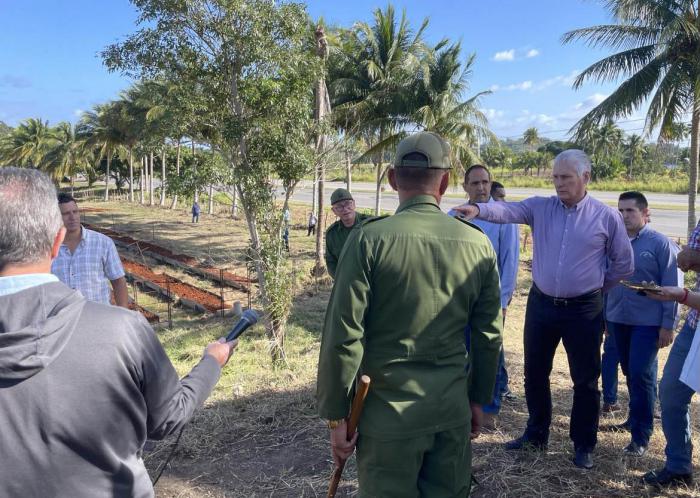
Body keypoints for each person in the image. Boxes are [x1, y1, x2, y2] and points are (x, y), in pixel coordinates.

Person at [0, 167, 238, 497]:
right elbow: (168, 417)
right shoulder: (122, 332)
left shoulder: (104, 253)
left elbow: (117, 280)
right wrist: (212, 361)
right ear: (55, 242)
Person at [317, 132, 502, 496]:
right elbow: (488, 336)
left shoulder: (369, 240)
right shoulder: (477, 243)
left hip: (387, 419)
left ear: (392, 178)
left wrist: (336, 416)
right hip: (450, 410)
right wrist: (477, 398)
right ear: (445, 183)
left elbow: (343, 335)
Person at [454, 149, 634, 469]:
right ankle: (536, 434)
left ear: (586, 177)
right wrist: (477, 209)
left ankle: (583, 444)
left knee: (585, 380)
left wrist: (595, 287)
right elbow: (507, 211)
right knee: (535, 373)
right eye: (555, 177)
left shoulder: (606, 217)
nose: (558, 183)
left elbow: (623, 264)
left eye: (566, 177)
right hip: (542, 305)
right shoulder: (540, 207)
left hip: (584, 310)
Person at [604, 191, 679, 457]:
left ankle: (641, 436)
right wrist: (605, 316)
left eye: (630, 211)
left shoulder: (660, 244)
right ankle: (634, 418)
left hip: (647, 323)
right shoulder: (613, 242)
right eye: (620, 211)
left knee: (641, 374)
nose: (624, 216)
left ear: (645, 214)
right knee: (629, 371)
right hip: (618, 318)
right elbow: (607, 280)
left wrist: (668, 325)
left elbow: (673, 285)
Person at [448, 165, 519, 430]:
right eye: (475, 183)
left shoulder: (503, 216)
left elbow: (510, 260)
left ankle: (489, 408)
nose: (481, 187)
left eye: (485, 182)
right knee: (460, 350)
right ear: (465, 186)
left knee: (489, 354)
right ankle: (462, 402)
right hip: (458, 300)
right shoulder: (454, 216)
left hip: (489, 300)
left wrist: (503, 301)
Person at [639, 226, 700, 488]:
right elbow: (687, 258)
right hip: (694, 325)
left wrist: (681, 295)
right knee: (671, 392)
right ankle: (678, 466)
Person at [52, 193, 129, 308]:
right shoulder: (47, 249)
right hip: (62, 317)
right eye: (66, 214)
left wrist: (123, 312)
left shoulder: (103, 243)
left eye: (75, 212)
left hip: (98, 316)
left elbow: (118, 281)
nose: (72, 217)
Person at [324, 188, 371, 278]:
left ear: (354, 204)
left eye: (348, 204)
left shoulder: (370, 224)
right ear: (334, 211)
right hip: (347, 281)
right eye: (339, 207)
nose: (345, 209)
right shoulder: (332, 234)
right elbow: (331, 263)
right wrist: (342, 280)